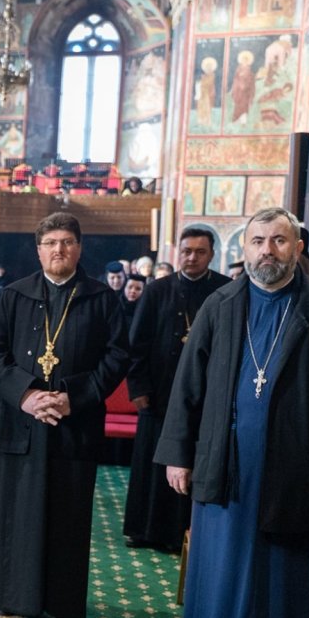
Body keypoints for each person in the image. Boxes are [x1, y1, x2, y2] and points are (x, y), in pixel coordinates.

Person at [156, 207, 309, 618]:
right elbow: (187, 385)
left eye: (278, 241)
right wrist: (177, 454)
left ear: (297, 248)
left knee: (280, 575)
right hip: (223, 465)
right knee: (223, 571)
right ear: (243, 249)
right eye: (257, 242)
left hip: (294, 471)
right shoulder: (221, 304)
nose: (266, 251)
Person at [0, 212, 129, 618]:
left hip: (73, 422)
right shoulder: (14, 294)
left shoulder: (101, 298)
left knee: (67, 515)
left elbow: (117, 356)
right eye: (51, 243)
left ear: (79, 248)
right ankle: (11, 594)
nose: (59, 249)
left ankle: (60, 601)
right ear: (39, 250)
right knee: (17, 511)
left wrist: (73, 398)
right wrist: (24, 396)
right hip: (22, 421)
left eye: (67, 242)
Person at [122, 224, 230, 552]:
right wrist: (138, 388)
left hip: (205, 396)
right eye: (186, 251)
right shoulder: (157, 290)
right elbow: (136, 343)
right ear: (177, 253)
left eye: (200, 252)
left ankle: (185, 531)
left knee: (191, 462)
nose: (192, 257)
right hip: (158, 392)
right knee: (152, 464)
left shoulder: (225, 292)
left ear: (212, 255)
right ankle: (146, 530)